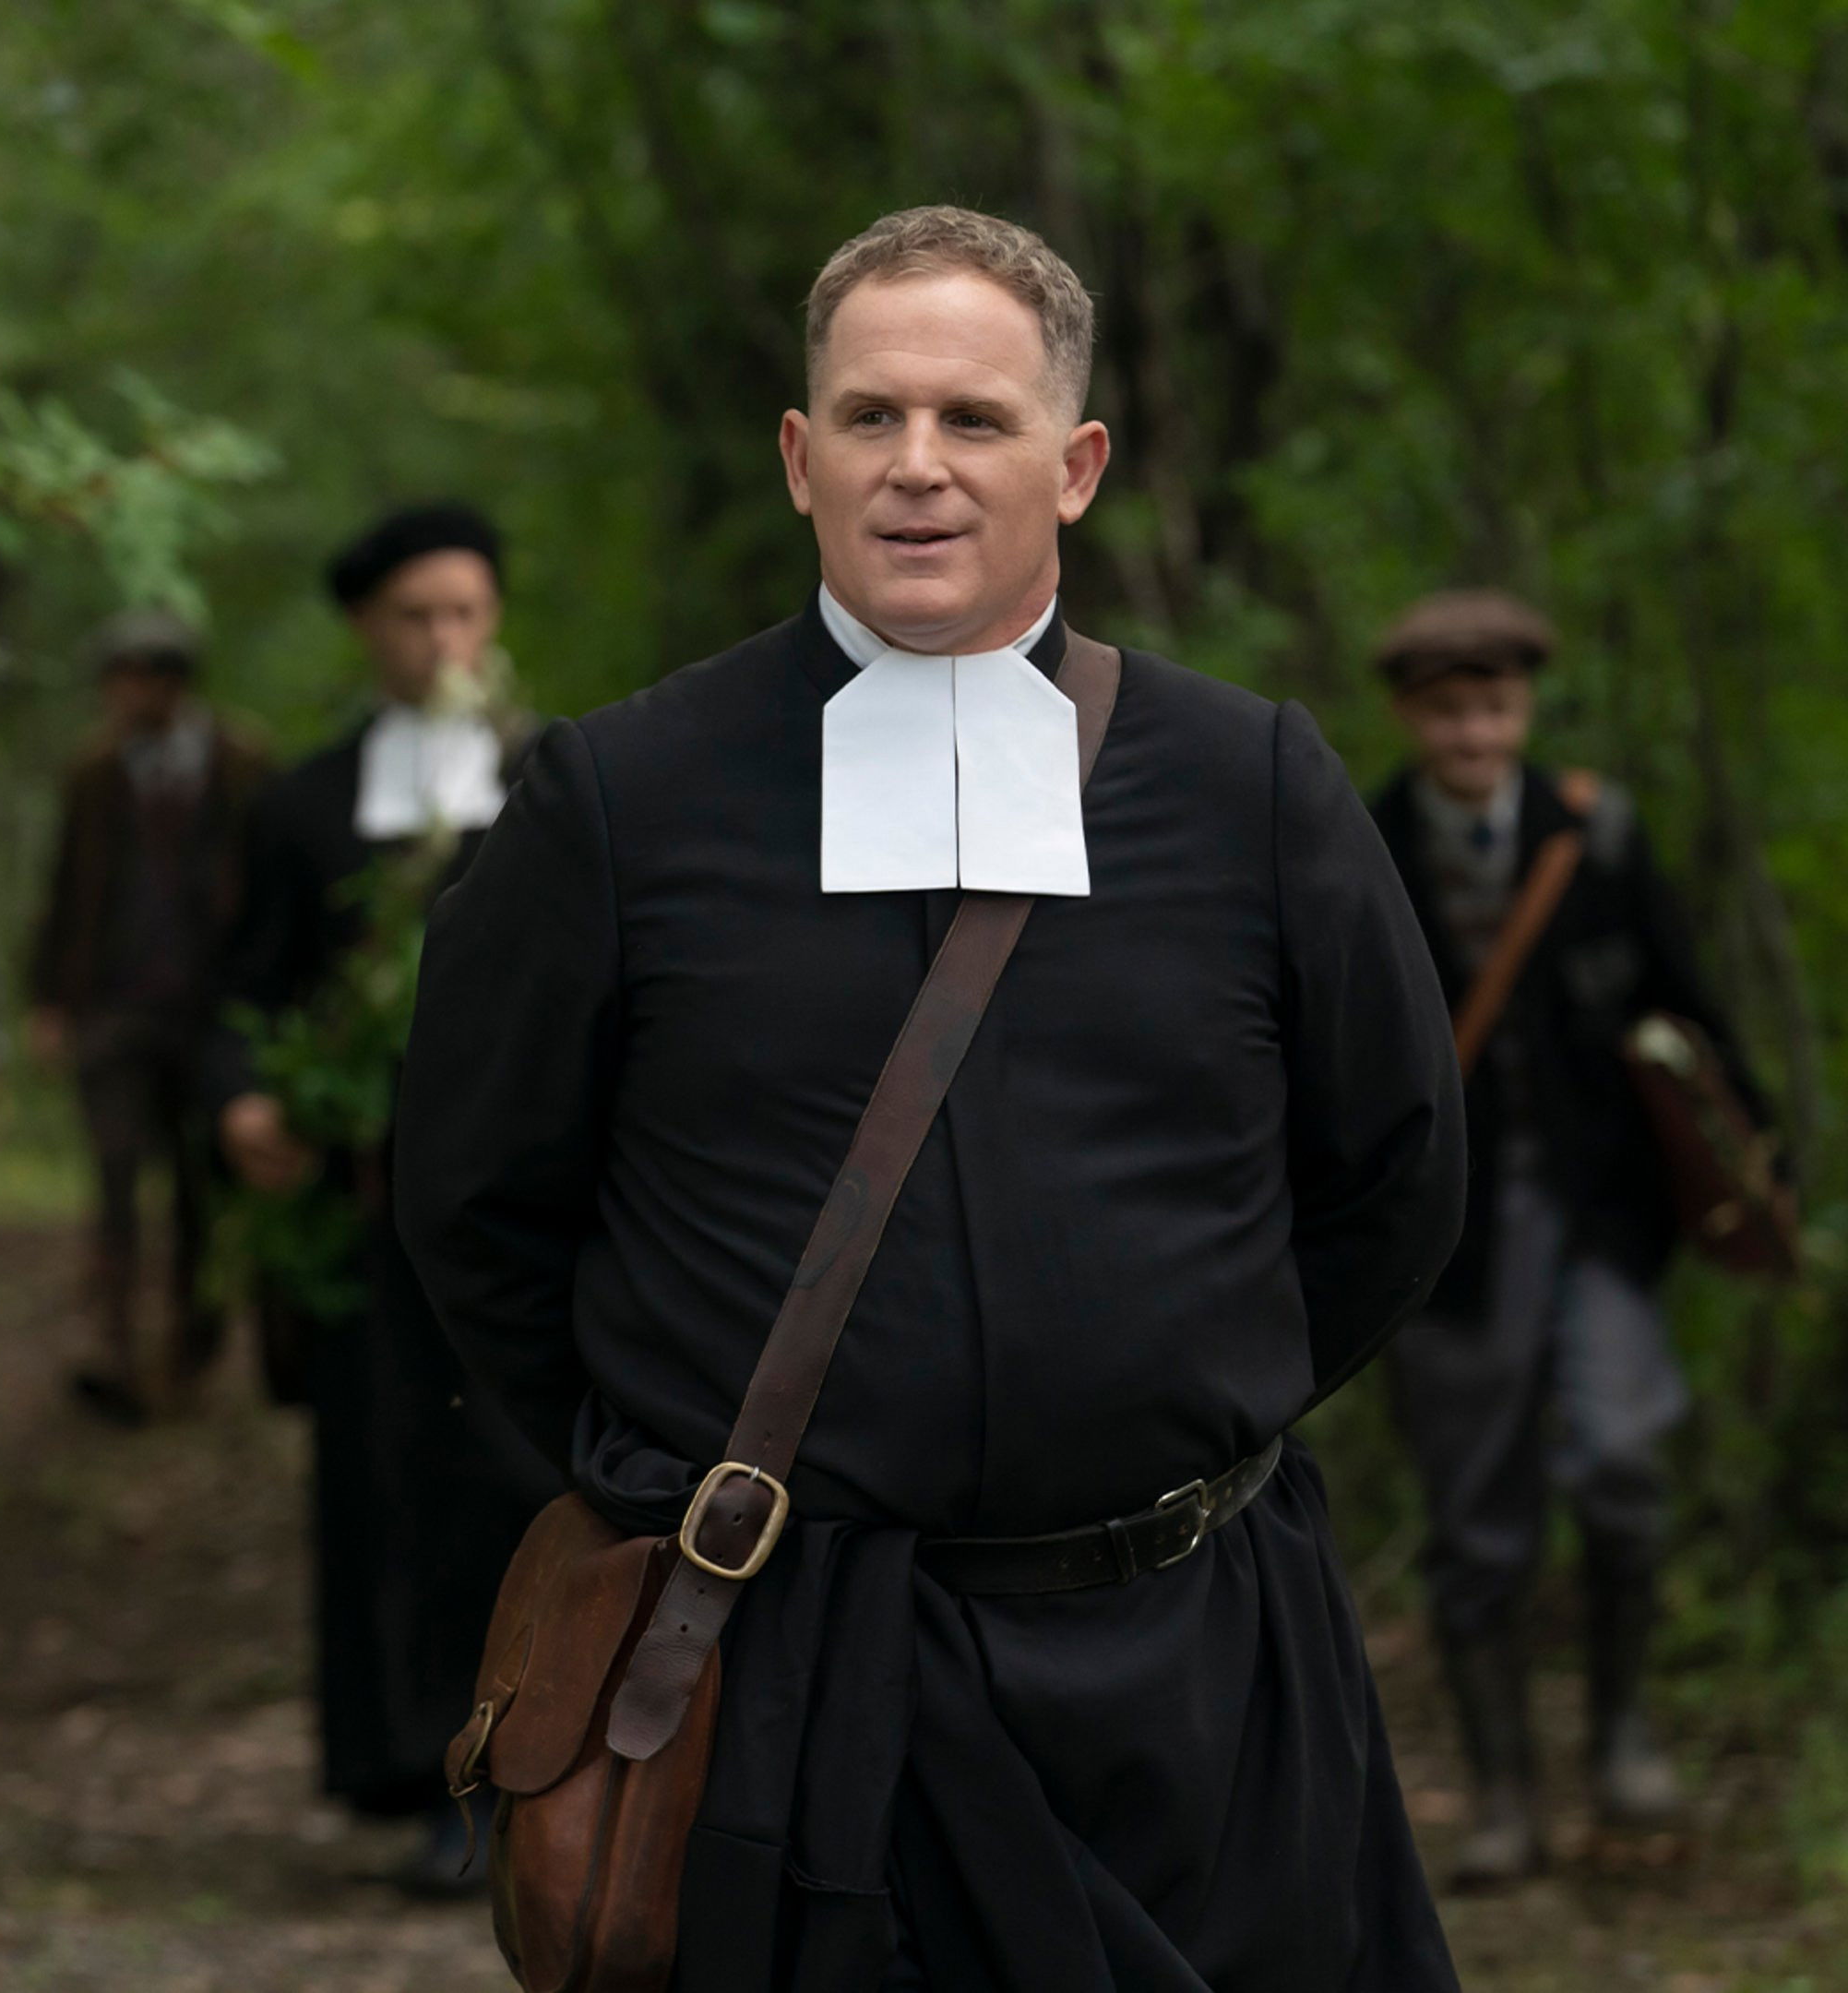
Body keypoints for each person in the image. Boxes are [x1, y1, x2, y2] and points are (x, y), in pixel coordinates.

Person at [396, 207, 1467, 1987]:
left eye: (976, 418)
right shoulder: (624, 800)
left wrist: (1174, 1402)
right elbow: (476, 1200)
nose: (920, 465)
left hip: (1208, 1669)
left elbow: (1394, 1177)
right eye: (871, 417)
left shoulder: (1253, 786)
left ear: (1078, 466)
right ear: (799, 459)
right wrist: (660, 1457)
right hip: (807, 1687)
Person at [1368, 590, 1758, 1884]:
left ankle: (1622, 1737)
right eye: (1449, 711)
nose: (1474, 734)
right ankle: (1502, 1798)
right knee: (1476, 1518)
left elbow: (1689, 1007)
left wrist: (1750, 1164)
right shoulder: (1363, 848)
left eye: (1494, 707)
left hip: (1601, 1221)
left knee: (1624, 1466)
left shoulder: (1596, 835)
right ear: (1411, 716)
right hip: (1450, 1245)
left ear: (1524, 707)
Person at [212, 504, 558, 1894]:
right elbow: (244, 993)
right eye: (416, 616)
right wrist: (244, 1102)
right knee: (391, 1480)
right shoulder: (304, 806)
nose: (444, 640)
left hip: (536, 1210)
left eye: (466, 612)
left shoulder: (557, 779)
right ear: (366, 629)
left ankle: (549, 1773)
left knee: (526, 1484)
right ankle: (424, 1772)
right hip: (367, 1214)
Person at [26, 610, 270, 1425]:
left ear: (174, 683)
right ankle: (114, 1347)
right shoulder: (94, 772)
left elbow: (273, 882)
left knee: (201, 1184)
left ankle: (192, 1342)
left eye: (140, 678)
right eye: (118, 679)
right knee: (115, 1175)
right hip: (116, 1004)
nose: (126, 696)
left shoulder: (241, 760)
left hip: (211, 1009)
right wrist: (50, 999)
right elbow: (66, 885)